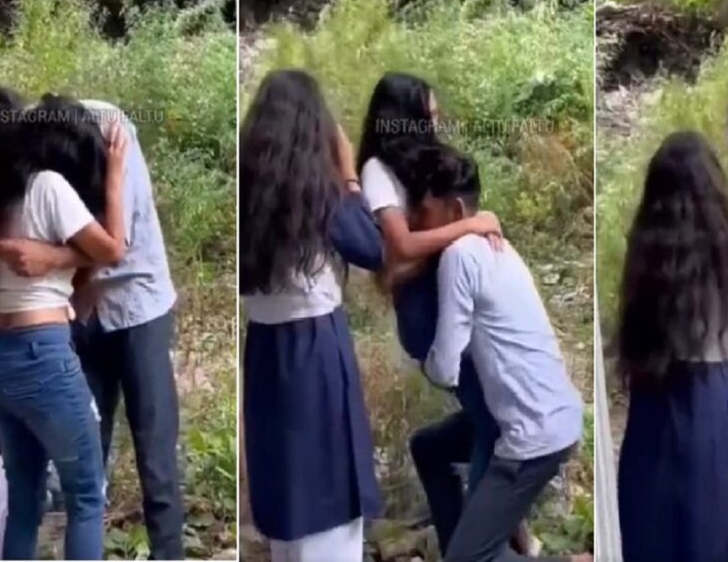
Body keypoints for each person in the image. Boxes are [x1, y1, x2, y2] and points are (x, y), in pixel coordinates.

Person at [0, 96, 184, 558]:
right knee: (85, 479)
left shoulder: (110, 133)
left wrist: (53, 257)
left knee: (155, 463)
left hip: (136, 308)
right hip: (63, 327)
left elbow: (119, 245)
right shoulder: (37, 168)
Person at [357, 73, 531, 555]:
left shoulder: (416, 166)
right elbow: (402, 245)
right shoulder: (378, 170)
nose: (437, 124)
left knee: (483, 421)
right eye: (429, 116)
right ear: (404, 118)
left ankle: (476, 542)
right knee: (492, 422)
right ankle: (486, 544)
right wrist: (470, 226)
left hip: (446, 306)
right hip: (427, 315)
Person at [616, 131, 728, 562]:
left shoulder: (643, 252)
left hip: (651, 403)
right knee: (717, 530)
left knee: (655, 530)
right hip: (708, 402)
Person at [410, 143, 585, 562]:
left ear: (454, 210)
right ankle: (464, 543)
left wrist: (421, 350)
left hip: (534, 433)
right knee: (429, 447)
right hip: (550, 414)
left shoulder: (458, 255)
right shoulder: (499, 247)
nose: (417, 224)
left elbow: (446, 369)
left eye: (423, 211)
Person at [240, 69, 383, 561]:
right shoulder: (317, 190)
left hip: (264, 347)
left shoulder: (248, 186)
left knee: (286, 482)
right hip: (315, 346)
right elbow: (370, 247)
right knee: (328, 487)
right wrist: (348, 175)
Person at [0, 91, 128, 560]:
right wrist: (115, 177)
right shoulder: (47, 186)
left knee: (25, 503)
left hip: (3, 360)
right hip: (42, 351)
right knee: (87, 495)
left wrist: (50, 256)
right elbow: (113, 249)